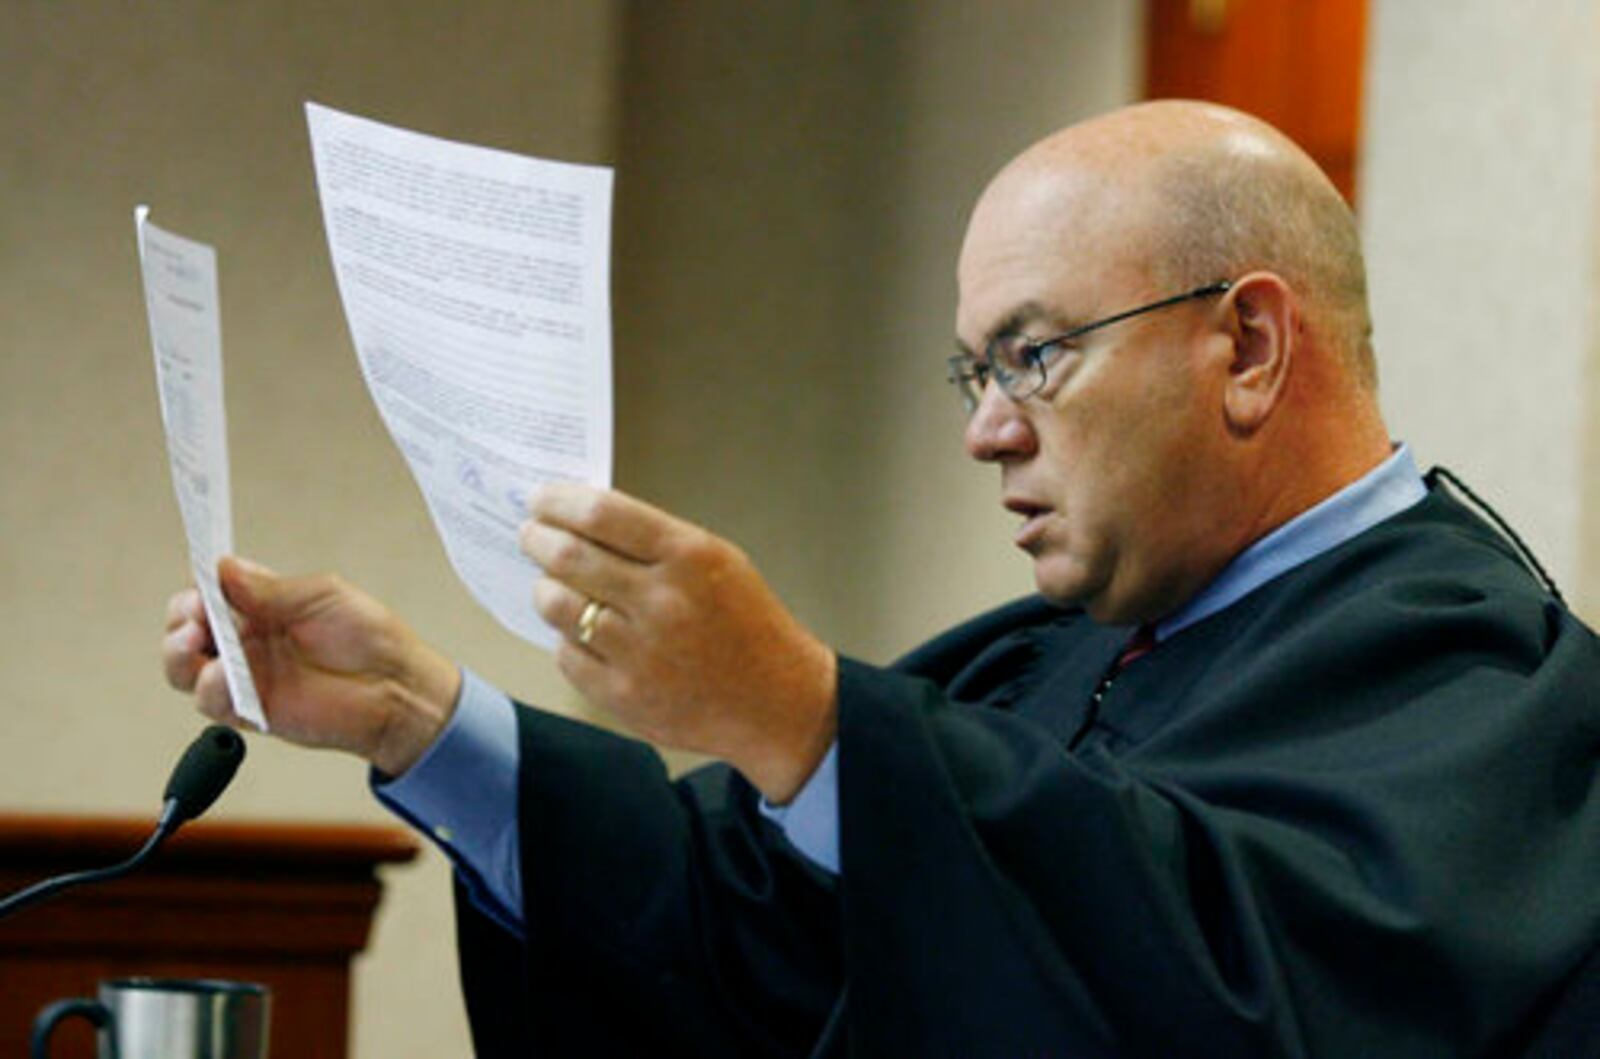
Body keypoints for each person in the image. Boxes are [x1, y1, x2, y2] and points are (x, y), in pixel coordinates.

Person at [162, 101, 1600, 1057]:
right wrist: (422, 720)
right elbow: (738, 926)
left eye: (1034, 355)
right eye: (974, 372)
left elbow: (1228, 1000)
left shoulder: (1479, 679)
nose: (985, 428)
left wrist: (809, 720)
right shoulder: (1046, 654)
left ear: (1249, 349)